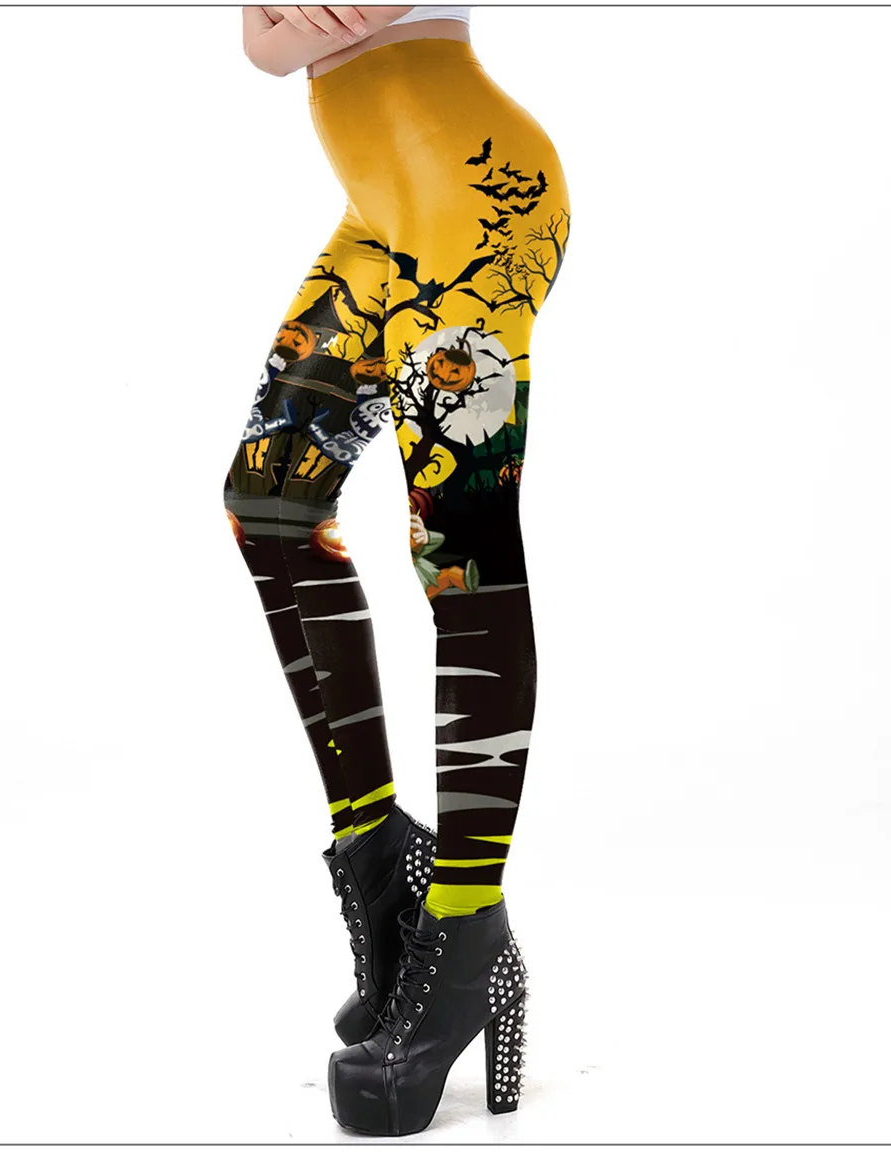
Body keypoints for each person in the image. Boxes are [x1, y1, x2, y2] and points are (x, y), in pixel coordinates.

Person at [226, 5, 570, 1136]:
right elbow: (265, 46)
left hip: (478, 202)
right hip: (383, 213)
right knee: (272, 502)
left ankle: (465, 933)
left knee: (457, 547)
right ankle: (383, 872)